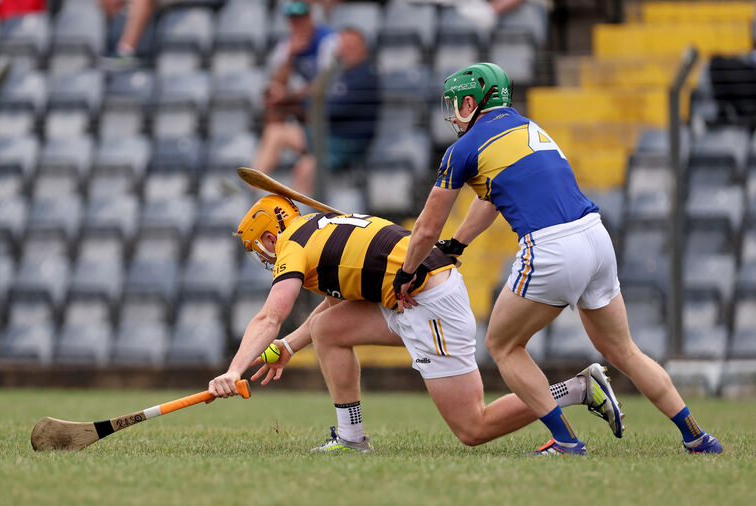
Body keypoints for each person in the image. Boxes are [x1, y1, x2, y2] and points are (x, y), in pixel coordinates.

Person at [394, 62, 723, 455]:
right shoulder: (529, 128)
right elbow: (491, 199)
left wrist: (407, 272)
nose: (453, 115)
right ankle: (697, 437)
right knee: (624, 350)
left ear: (472, 101)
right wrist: (459, 244)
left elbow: (426, 228)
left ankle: (565, 441)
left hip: (550, 248)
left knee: (503, 345)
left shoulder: (463, 148)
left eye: (456, 105)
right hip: (595, 237)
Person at [208, 194, 624, 453]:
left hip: (429, 303)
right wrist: (290, 346)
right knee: (327, 330)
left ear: (268, 237)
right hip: (409, 296)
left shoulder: (292, 247)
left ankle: (578, 388)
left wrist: (233, 370)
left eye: (258, 249)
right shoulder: (320, 229)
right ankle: (351, 437)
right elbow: (338, 302)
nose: (262, 258)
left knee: (472, 428)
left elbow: (271, 314)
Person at [253, 27, 379, 195]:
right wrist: (287, 100)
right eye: (343, 45)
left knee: (305, 168)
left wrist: (290, 100)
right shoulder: (339, 74)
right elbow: (317, 99)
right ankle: (250, 189)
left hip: (346, 145)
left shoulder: (365, 76)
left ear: (363, 48)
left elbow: (330, 108)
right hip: (325, 138)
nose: (346, 50)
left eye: (352, 45)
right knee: (276, 132)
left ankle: (304, 218)